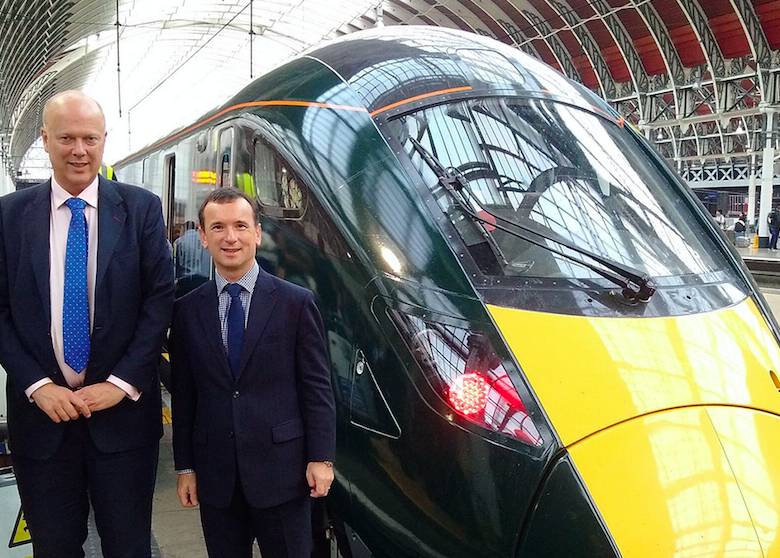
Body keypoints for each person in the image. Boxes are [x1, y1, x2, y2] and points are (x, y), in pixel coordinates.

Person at [0, 90, 175, 558]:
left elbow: (159, 302)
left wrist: (120, 383)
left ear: (102, 141)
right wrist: (38, 385)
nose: (79, 150)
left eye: (90, 138)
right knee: (54, 547)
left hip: (122, 421)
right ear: (44, 140)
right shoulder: (9, 216)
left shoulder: (140, 209)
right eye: (66, 138)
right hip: (42, 422)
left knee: (128, 545)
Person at [170, 188, 336, 558]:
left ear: (257, 234)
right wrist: (185, 467)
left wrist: (321, 458)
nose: (231, 238)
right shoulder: (186, 311)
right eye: (218, 228)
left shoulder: (295, 303)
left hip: (284, 473)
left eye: (241, 226)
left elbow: (317, 388)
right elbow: (184, 396)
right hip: (217, 478)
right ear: (203, 235)